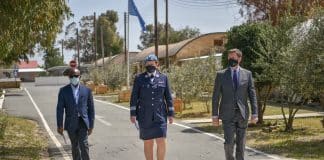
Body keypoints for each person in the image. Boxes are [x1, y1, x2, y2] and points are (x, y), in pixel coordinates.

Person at [212, 48, 258, 160]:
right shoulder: (221, 75)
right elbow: (216, 96)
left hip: (242, 114)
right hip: (227, 114)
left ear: (239, 58)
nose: (231, 59)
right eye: (229, 57)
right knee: (229, 142)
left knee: (241, 144)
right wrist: (215, 115)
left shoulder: (247, 74)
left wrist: (255, 113)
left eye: (233, 57)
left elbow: (252, 95)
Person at [130, 54, 174, 160]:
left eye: (152, 63)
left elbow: (168, 97)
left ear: (157, 64)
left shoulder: (164, 78)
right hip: (145, 116)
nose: (150, 65)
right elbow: (134, 97)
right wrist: (133, 114)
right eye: (148, 64)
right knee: (148, 142)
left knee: (161, 141)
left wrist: (171, 113)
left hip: (160, 115)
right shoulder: (139, 78)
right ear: (145, 65)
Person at [56, 68, 95, 160]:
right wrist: (59, 125)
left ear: (80, 77)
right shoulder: (63, 91)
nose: (74, 78)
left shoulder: (87, 91)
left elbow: (91, 109)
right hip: (71, 123)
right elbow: (60, 109)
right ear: (69, 77)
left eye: (76, 76)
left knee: (84, 144)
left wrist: (91, 125)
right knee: (75, 146)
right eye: (71, 76)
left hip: (83, 122)